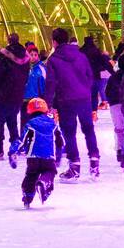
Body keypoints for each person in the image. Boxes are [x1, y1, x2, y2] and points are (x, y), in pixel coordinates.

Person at [46, 27, 99, 181]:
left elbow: (51, 83)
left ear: (54, 42)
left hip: (66, 99)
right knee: (88, 129)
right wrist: (85, 90)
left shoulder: (54, 60)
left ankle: (74, 166)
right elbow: (90, 75)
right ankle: (94, 163)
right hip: (84, 98)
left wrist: (48, 103)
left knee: (69, 133)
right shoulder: (81, 56)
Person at [0, 36, 27, 161]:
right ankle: (15, 145)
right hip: (17, 95)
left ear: (9, 41)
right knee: (12, 121)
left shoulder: (3, 57)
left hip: (2, 95)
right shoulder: (25, 59)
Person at [18, 98, 63, 207]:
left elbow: (21, 140)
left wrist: (14, 151)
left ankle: (27, 196)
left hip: (32, 157)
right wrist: (59, 156)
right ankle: (43, 183)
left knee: (31, 175)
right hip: (49, 157)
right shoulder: (53, 124)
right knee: (50, 172)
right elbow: (60, 141)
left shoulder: (30, 123)